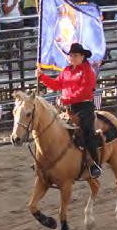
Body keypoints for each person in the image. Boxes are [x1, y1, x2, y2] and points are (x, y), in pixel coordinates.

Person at [37, 43, 102, 179]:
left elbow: (84, 91)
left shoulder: (88, 71)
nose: (72, 58)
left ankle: (94, 164)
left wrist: (66, 99)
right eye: (71, 55)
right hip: (69, 108)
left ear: (82, 56)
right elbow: (56, 85)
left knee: (87, 131)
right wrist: (42, 77)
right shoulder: (66, 71)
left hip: (84, 107)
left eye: (75, 55)